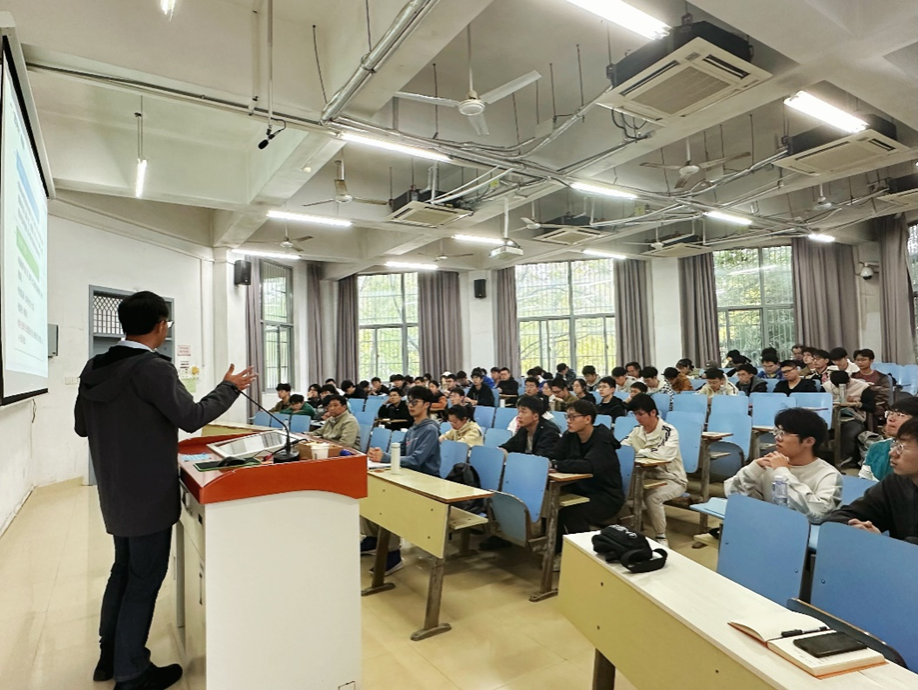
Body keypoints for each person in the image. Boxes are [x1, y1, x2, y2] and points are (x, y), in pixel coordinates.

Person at [74, 290, 256, 689]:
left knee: (123, 570)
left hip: (114, 491)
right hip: (149, 494)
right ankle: (132, 672)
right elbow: (192, 417)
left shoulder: (94, 367)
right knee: (144, 579)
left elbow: (81, 426)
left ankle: (109, 656)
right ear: (161, 325)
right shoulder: (152, 368)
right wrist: (228, 387)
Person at [364, 386, 442, 572]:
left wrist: (385, 458)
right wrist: (380, 454)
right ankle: (373, 539)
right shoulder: (413, 429)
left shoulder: (430, 429)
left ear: (427, 405)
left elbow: (416, 460)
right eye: (410, 402)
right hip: (410, 478)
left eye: (415, 402)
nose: (411, 405)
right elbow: (402, 453)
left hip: (426, 483)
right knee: (368, 492)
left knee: (388, 501)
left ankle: (392, 554)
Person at [725, 408, 841, 522]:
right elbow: (733, 497)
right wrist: (753, 469)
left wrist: (782, 472)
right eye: (776, 432)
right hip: (767, 526)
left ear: (809, 441)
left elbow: (819, 514)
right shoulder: (769, 467)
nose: (777, 438)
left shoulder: (828, 475)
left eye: (784, 433)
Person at [547, 400, 624, 569]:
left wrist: (558, 465)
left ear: (587, 419)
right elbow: (554, 454)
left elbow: (589, 465)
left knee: (572, 512)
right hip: (581, 489)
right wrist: (548, 461)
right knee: (550, 505)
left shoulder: (602, 441)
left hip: (606, 496)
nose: (568, 421)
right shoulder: (570, 435)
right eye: (567, 417)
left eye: (573, 417)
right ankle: (556, 549)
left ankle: (585, 556)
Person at [824, 418, 918, 541]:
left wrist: (883, 543)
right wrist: (856, 527)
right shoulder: (894, 484)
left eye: (901, 447)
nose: (892, 453)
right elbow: (841, 517)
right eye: (895, 444)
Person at [621, 394, 686, 547]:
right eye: (635, 414)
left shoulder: (669, 431)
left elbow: (664, 454)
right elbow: (623, 448)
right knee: (619, 488)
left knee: (653, 497)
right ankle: (629, 527)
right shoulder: (637, 431)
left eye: (640, 414)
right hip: (645, 476)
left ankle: (661, 536)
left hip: (672, 479)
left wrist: (640, 452)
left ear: (653, 413)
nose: (637, 418)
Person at [824, 370, 877, 465]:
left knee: (849, 432)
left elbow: (872, 407)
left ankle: (845, 457)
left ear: (849, 380)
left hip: (854, 417)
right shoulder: (826, 387)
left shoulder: (862, 387)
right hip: (831, 417)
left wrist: (857, 404)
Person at [860, 400, 918, 480]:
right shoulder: (877, 447)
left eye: (900, 415)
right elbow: (864, 481)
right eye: (890, 413)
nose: (891, 419)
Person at [852, 348, 892, 425]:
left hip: (876, 405)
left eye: (863, 360)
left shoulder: (882, 377)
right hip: (854, 405)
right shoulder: (852, 377)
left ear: (871, 360)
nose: (860, 362)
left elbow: (884, 396)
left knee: (870, 410)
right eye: (857, 360)